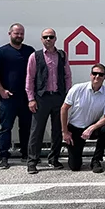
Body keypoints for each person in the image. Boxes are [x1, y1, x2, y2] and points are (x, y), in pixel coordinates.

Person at [0, 23, 35, 169]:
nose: (19, 36)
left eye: (21, 33)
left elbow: (35, 73)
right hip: (9, 97)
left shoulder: (29, 51)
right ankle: (3, 156)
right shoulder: (2, 52)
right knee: (6, 128)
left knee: (26, 127)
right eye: (16, 33)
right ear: (10, 34)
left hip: (26, 97)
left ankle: (26, 154)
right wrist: (1, 90)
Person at [26, 28, 72, 174]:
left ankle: (54, 159)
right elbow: (30, 78)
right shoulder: (35, 56)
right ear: (41, 39)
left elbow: (67, 76)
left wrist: (68, 96)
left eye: (51, 37)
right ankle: (32, 162)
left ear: (55, 39)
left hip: (58, 97)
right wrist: (31, 99)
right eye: (45, 37)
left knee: (57, 130)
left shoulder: (62, 55)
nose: (48, 39)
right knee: (36, 131)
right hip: (41, 98)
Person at [61, 63, 105, 173]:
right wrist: (65, 132)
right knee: (75, 167)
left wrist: (91, 128)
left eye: (100, 74)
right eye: (94, 73)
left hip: (91, 128)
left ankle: (96, 160)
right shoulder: (77, 88)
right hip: (74, 129)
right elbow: (64, 109)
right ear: (90, 75)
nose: (97, 77)